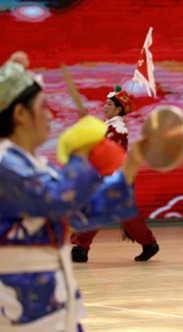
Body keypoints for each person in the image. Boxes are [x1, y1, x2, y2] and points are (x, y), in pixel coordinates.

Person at [0, 52, 144, 331]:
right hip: (20, 303)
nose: (50, 115)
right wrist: (82, 151)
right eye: (43, 107)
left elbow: (82, 212)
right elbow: (59, 202)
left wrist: (132, 164)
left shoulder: (33, 163)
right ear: (20, 114)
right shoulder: (5, 163)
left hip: (51, 298)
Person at [71, 86, 159, 263]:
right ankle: (148, 243)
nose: (105, 106)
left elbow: (107, 153)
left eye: (109, 104)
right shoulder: (110, 127)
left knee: (99, 208)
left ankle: (81, 247)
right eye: (105, 103)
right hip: (110, 175)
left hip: (114, 176)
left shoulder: (118, 129)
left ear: (119, 109)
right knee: (122, 213)